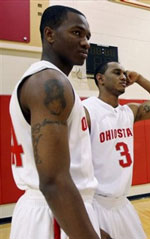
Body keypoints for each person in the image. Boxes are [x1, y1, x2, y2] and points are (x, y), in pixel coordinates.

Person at [9, 5, 101, 239]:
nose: (86, 43)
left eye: (88, 36)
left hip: (55, 212)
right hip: (53, 216)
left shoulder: (45, 79)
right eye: (77, 33)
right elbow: (54, 182)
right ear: (49, 34)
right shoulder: (50, 83)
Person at [82, 61, 150, 239]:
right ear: (100, 79)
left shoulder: (129, 111)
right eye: (117, 73)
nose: (123, 77)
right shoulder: (87, 111)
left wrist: (139, 78)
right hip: (96, 204)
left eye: (124, 73)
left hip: (123, 204)